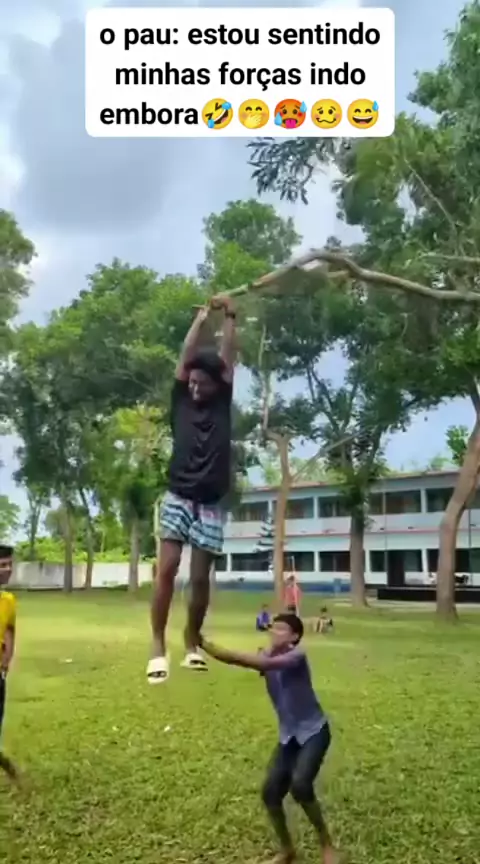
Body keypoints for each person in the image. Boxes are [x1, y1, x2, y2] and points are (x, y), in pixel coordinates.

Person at [147, 294, 236, 683]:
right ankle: (157, 647)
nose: (196, 388)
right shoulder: (181, 400)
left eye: (203, 383)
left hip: (211, 503)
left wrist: (230, 315)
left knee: (200, 579)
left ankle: (191, 641)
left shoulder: (221, 402)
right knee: (167, 569)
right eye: (193, 382)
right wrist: (201, 319)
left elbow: (227, 356)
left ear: (217, 386)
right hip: (178, 495)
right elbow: (186, 357)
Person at [200, 613, 338, 864]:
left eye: (282, 629)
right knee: (271, 793)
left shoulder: (296, 656)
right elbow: (256, 661)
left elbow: (252, 662)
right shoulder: (265, 656)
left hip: (315, 731)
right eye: (273, 627)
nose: (275, 631)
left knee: (301, 785)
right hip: (289, 735)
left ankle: (326, 843)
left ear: (294, 637)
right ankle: (287, 850)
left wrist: (207, 645)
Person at [0, 545, 18, 781]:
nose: (8, 569)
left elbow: (10, 630)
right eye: (2, 565)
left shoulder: (8, 600)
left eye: (10, 564)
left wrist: (6, 661)